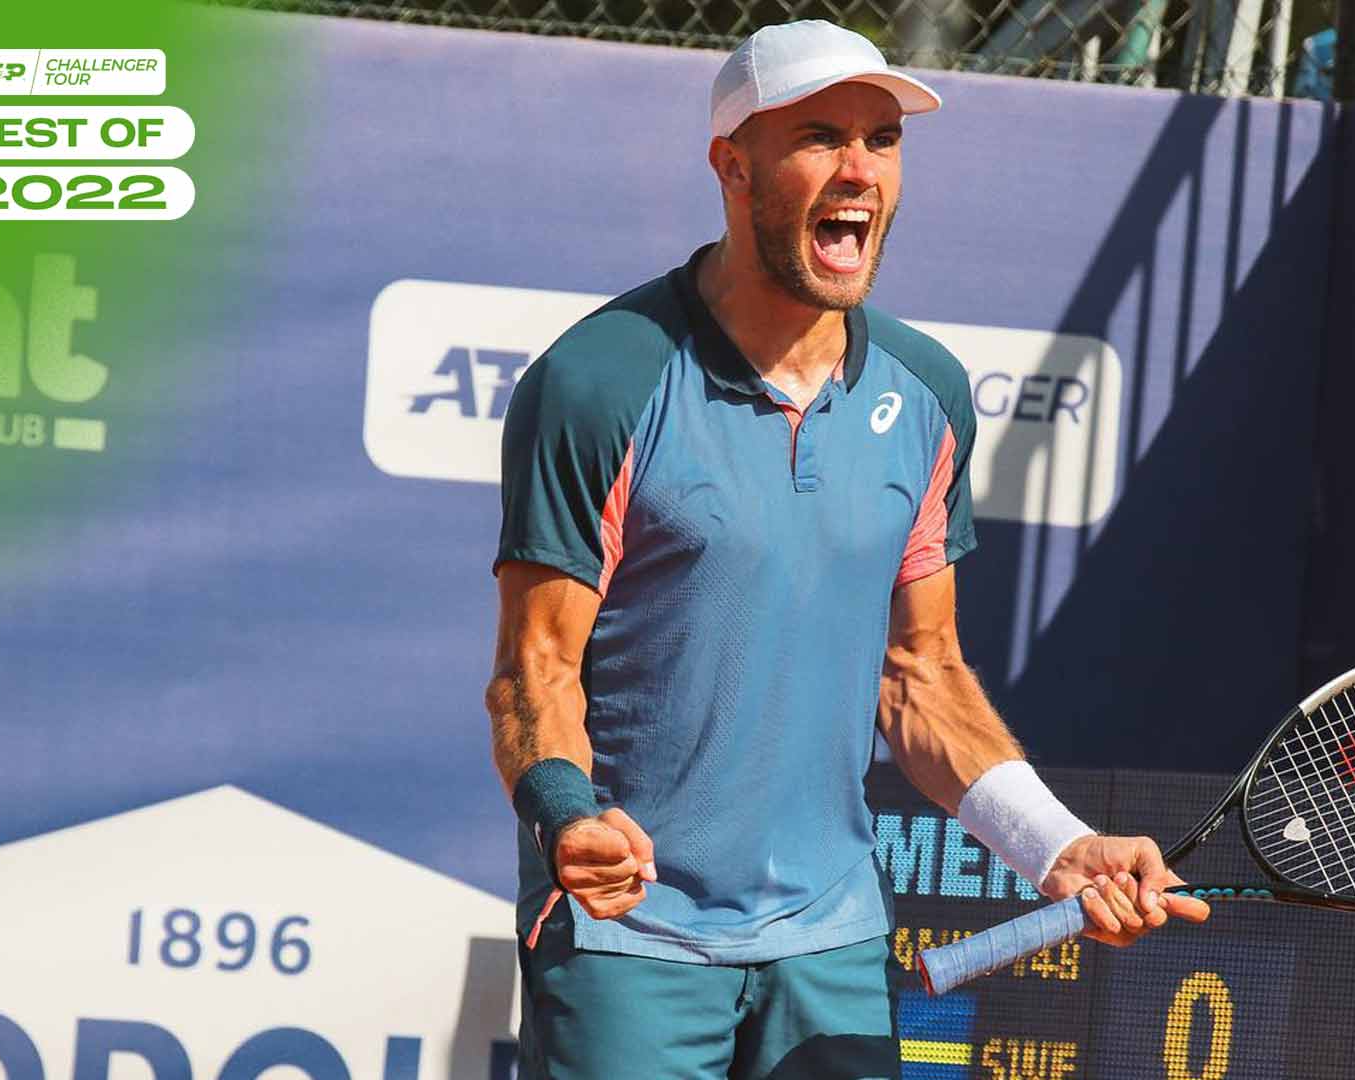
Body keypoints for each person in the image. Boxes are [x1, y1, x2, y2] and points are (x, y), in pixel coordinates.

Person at [486, 19, 1210, 1078]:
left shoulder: (926, 395)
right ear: (733, 165)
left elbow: (920, 676)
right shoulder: (603, 382)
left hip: (831, 942)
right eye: (822, 136)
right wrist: (567, 817)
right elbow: (532, 671)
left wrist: (1058, 847)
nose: (860, 169)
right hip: (630, 943)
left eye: (883, 139)